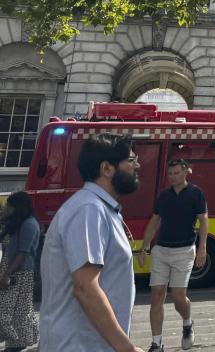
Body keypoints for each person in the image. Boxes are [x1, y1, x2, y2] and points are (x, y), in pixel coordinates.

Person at [39, 133, 146, 352]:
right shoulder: (89, 210)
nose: (138, 166)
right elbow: (85, 287)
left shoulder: (100, 208)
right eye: (132, 161)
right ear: (107, 169)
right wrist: (127, 349)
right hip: (79, 345)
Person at [138, 158, 209, 352]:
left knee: (178, 296)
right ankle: (157, 343)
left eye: (176, 173)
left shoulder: (196, 193)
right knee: (157, 294)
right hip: (161, 249)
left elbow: (204, 221)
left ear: (185, 172)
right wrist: (143, 248)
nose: (172, 177)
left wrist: (202, 248)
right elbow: (154, 222)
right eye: (169, 174)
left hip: (184, 250)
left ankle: (187, 322)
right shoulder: (163, 196)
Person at [0, 191, 40, 351]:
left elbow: (22, 253)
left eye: (9, 205)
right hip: (9, 271)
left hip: (20, 274)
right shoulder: (16, 223)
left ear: (18, 207)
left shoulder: (29, 224)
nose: (6, 207)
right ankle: (15, 344)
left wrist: (7, 274)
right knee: (11, 313)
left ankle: (17, 345)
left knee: (18, 314)